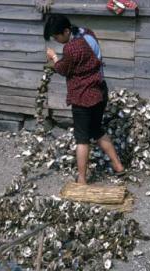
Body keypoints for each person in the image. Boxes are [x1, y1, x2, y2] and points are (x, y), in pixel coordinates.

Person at [44, 14, 124, 184]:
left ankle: (81, 179)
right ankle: (118, 166)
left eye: (56, 36)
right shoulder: (88, 34)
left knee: (82, 138)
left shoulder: (71, 48)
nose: (56, 40)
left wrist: (54, 58)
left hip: (83, 97)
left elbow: (63, 69)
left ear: (66, 31)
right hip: (100, 92)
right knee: (97, 130)